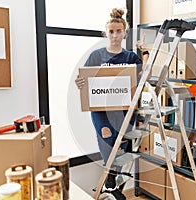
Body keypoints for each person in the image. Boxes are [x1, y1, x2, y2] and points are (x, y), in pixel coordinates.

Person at [75, 8, 148, 200]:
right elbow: (83, 81)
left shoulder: (131, 57)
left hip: (124, 111)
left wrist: (145, 52)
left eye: (118, 31)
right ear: (106, 33)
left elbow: (143, 76)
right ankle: (110, 182)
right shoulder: (96, 56)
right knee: (108, 141)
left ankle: (113, 185)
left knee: (121, 146)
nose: (115, 35)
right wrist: (79, 83)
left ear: (124, 33)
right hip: (101, 111)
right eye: (111, 31)